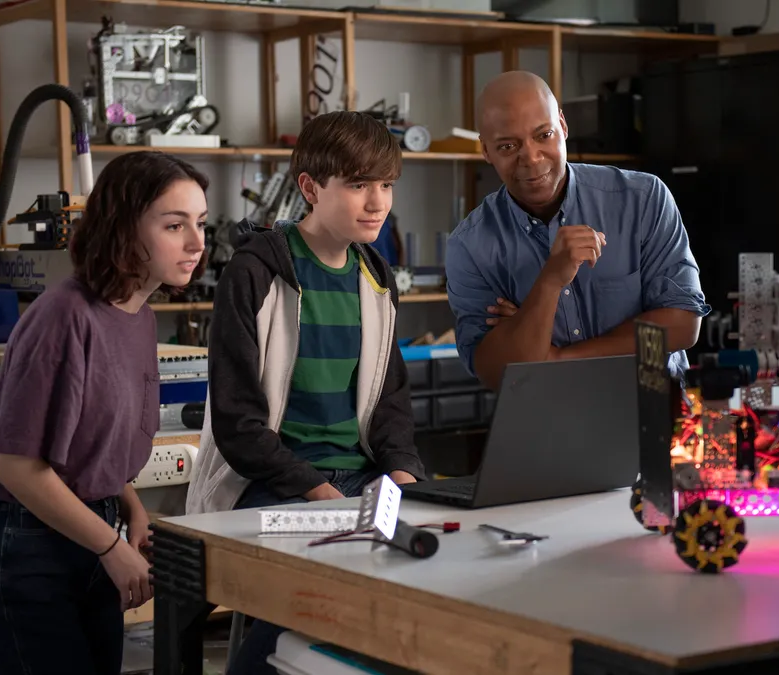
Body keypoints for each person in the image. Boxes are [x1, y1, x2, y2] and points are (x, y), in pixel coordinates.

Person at [186, 110, 427, 674]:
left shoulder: (376, 276)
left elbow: (391, 404)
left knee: (438, 565)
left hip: (361, 478)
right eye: (358, 185)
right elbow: (239, 425)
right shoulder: (255, 272)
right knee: (314, 586)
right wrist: (319, 492)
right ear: (310, 187)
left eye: (386, 184)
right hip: (269, 482)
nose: (377, 202)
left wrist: (404, 477)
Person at [0, 151, 209, 674]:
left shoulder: (138, 315)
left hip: (93, 534)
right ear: (123, 227)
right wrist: (110, 548)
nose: (196, 243)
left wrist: (132, 508)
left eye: (200, 224)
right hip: (26, 550)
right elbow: (15, 465)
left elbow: (86, 445)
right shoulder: (64, 315)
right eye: (174, 224)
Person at [445, 71, 710, 390]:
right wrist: (549, 282)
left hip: (652, 410)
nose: (530, 157)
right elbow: (493, 371)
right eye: (508, 146)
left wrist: (555, 356)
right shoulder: (470, 244)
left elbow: (682, 326)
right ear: (486, 151)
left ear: (563, 126)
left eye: (543, 135)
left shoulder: (642, 199)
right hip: (546, 425)